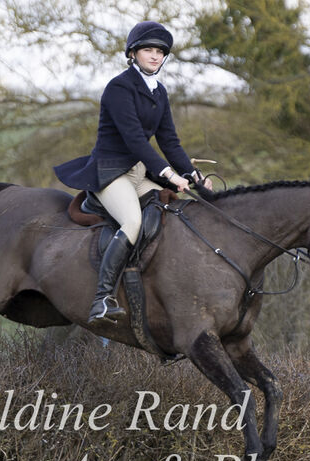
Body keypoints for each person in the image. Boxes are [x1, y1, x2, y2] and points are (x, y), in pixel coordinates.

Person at [54, 21, 212, 326]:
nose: (155, 56)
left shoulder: (159, 92)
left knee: (171, 212)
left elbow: (170, 141)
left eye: (160, 52)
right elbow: (135, 141)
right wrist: (170, 175)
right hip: (111, 173)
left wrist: (194, 176)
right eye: (148, 50)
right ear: (133, 53)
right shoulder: (119, 88)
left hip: (138, 174)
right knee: (133, 222)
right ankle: (102, 300)